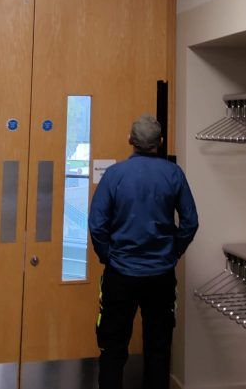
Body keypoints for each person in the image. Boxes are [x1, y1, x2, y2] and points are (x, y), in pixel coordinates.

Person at [88, 114, 199, 389]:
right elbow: (190, 222)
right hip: (160, 276)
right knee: (158, 348)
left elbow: (96, 224)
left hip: (120, 275)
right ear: (160, 143)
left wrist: (108, 256)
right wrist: (174, 253)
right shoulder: (174, 174)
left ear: (130, 141)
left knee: (112, 347)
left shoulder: (114, 175)